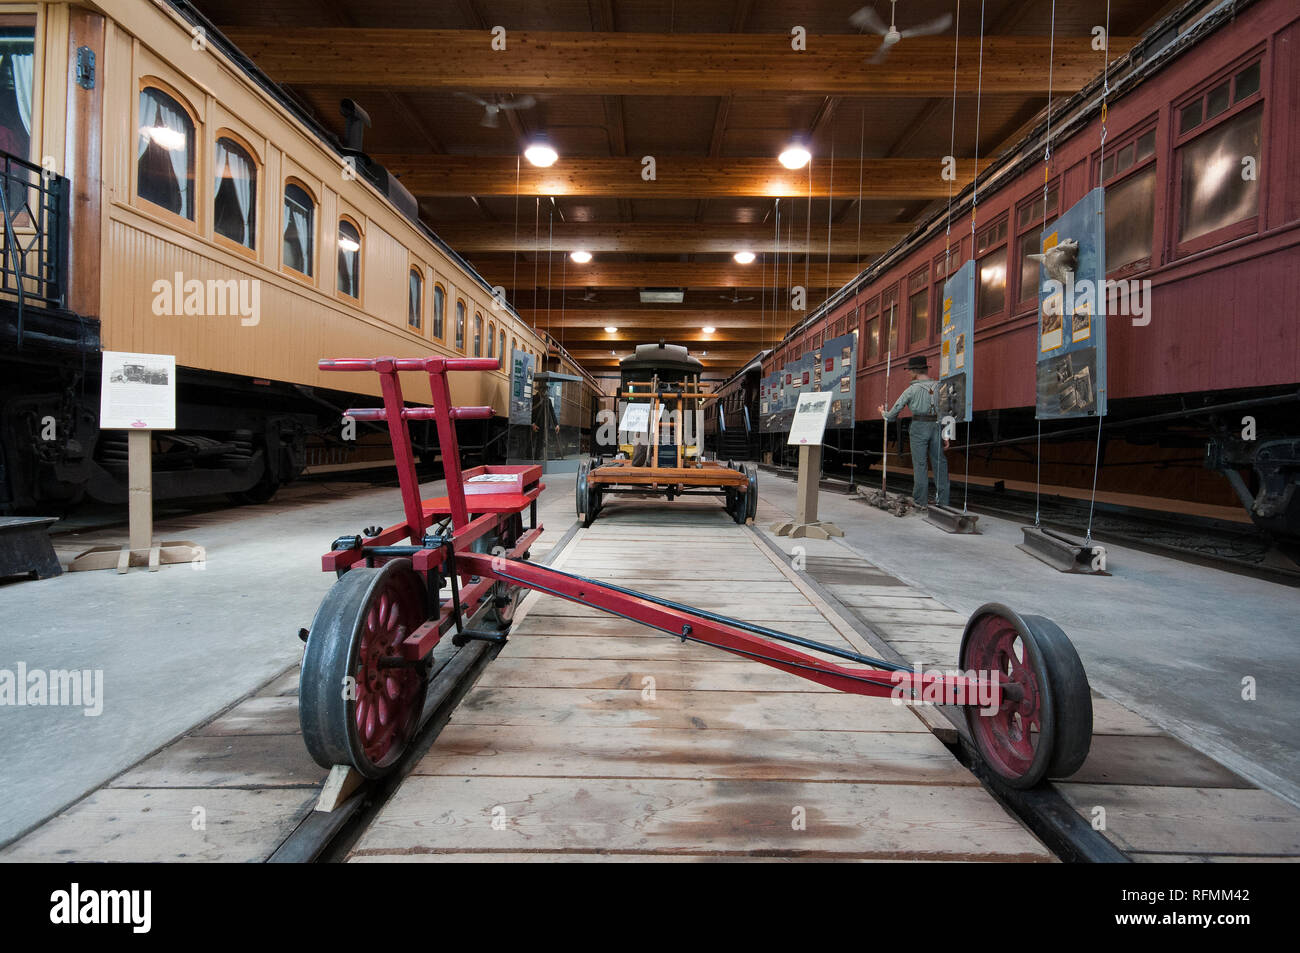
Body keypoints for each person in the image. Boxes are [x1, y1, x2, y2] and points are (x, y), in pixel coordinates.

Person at [878, 355, 950, 509]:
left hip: (918, 427)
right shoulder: (940, 387)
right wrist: (947, 435)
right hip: (937, 426)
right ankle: (943, 502)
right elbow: (947, 412)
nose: (909, 373)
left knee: (920, 464)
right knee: (940, 464)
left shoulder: (911, 390)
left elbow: (892, 416)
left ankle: (920, 501)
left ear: (915, 371)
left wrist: (882, 412)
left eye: (910, 370)